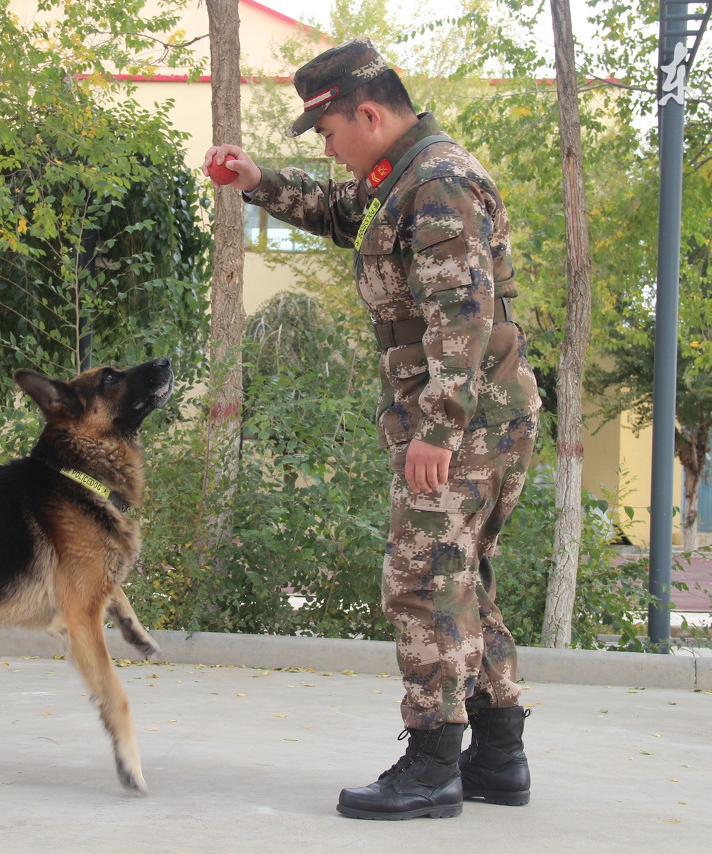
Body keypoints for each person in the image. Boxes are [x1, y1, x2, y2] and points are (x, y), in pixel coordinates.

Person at [203, 37, 542, 821]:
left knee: (421, 582)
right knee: (460, 579)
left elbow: (462, 312)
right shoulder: (405, 179)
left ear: (367, 113)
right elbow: (336, 210)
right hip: (482, 416)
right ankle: (498, 756)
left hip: (463, 421)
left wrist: (438, 425)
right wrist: (257, 181)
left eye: (326, 135)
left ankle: (432, 767)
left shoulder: (440, 182)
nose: (329, 150)